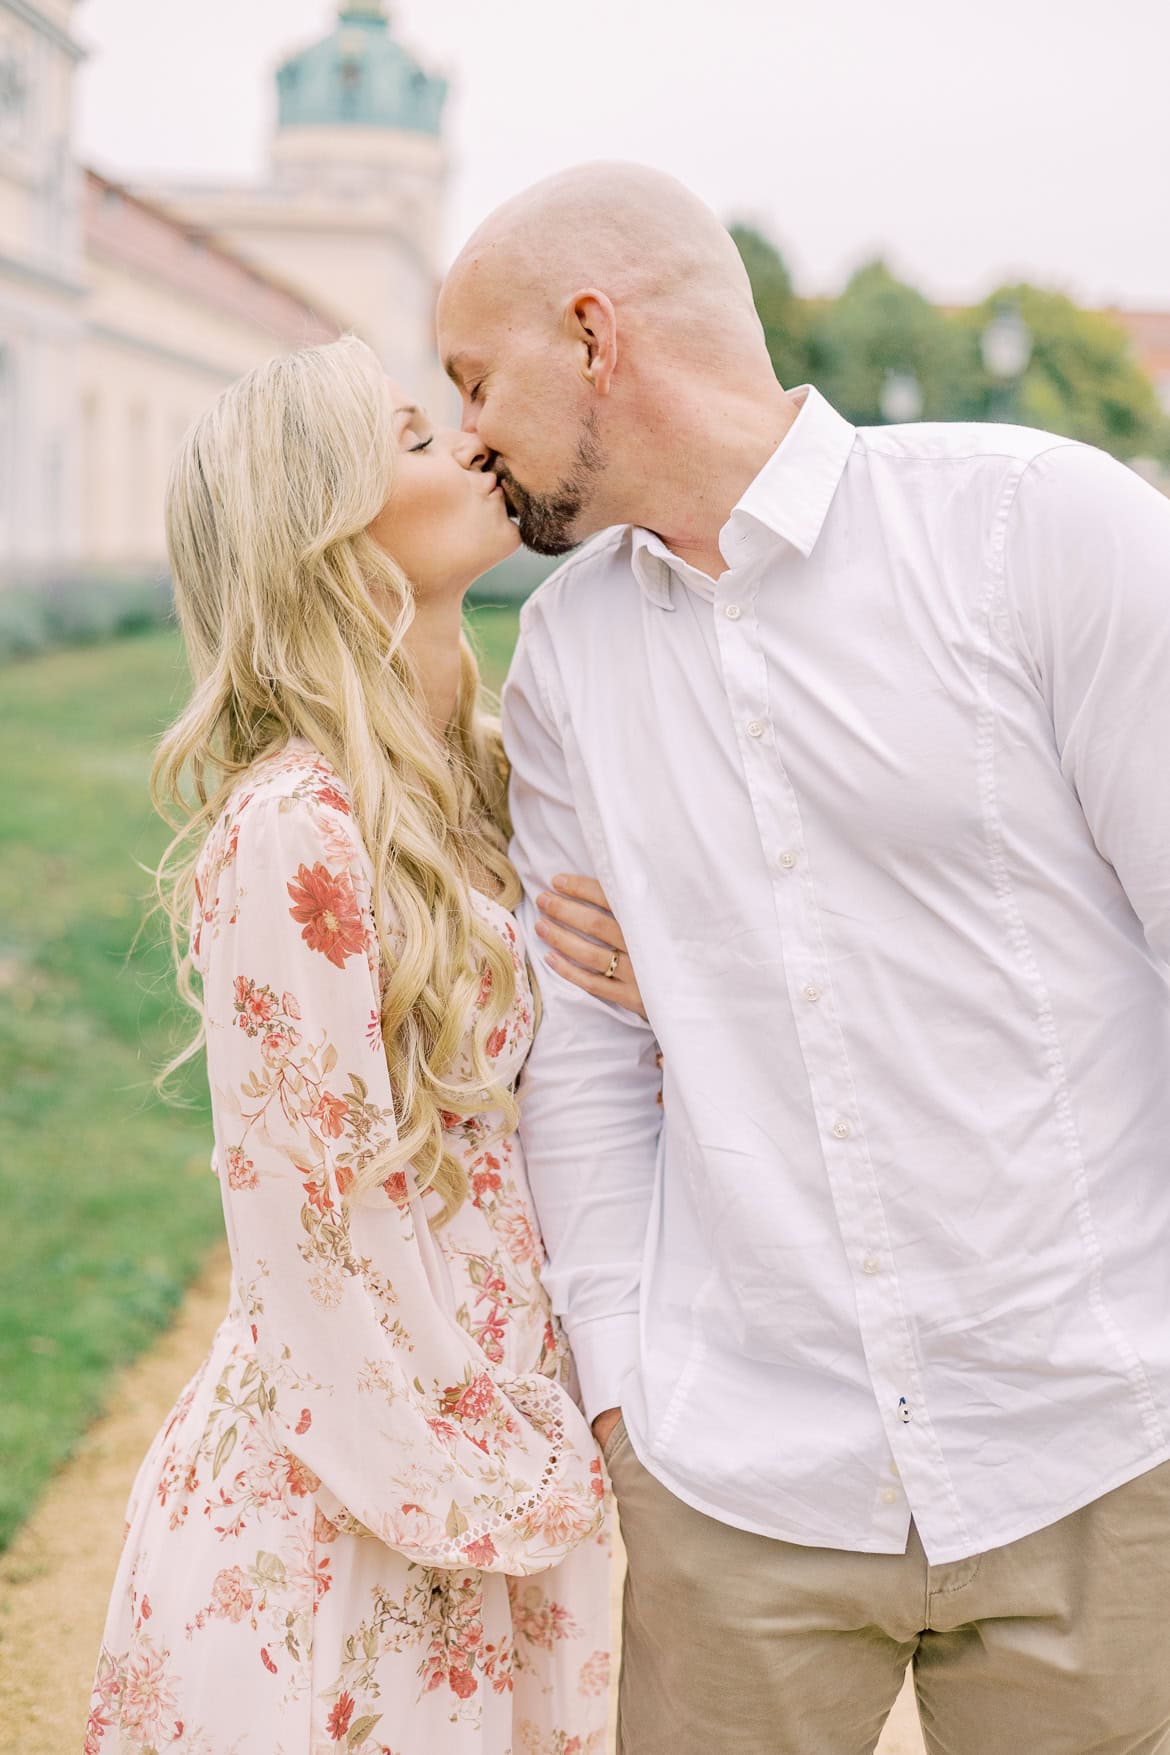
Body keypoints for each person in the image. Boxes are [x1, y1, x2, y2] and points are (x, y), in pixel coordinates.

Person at [436, 163, 1170, 1755]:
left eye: (472, 380)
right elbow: (579, 1063)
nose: (469, 433)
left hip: (1100, 1445)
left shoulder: (1039, 530)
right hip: (737, 1470)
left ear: (592, 334)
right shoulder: (565, 654)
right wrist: (628, 1392)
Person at [86, 335, 648, 1755]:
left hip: (495, 1423)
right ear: (320, 529)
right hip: (369, 1490)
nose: (468, 446)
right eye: (412, 438)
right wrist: (468, 1477)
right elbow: (309, 1225)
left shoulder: (473, 788)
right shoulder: (296, 828)